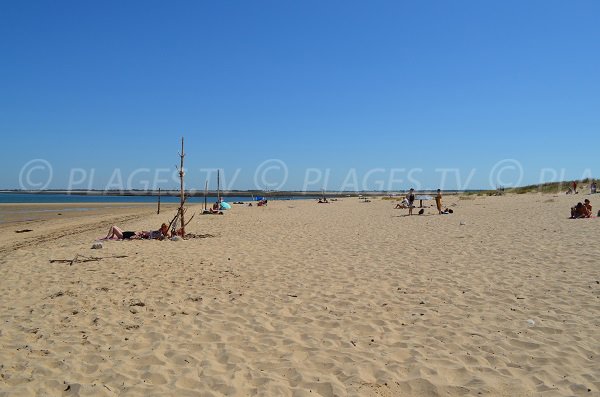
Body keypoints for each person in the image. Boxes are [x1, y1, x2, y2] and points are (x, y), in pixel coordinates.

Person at [103, 223, 170, 240]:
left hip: (123, 235)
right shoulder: (159, 232)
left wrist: (140, 234)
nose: (162, 228)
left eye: (164, 228)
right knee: (114, 226)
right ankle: (111, 236)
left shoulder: (161, 234)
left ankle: (107, 237)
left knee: (113, 227)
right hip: (125, 233)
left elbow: (167, 236)